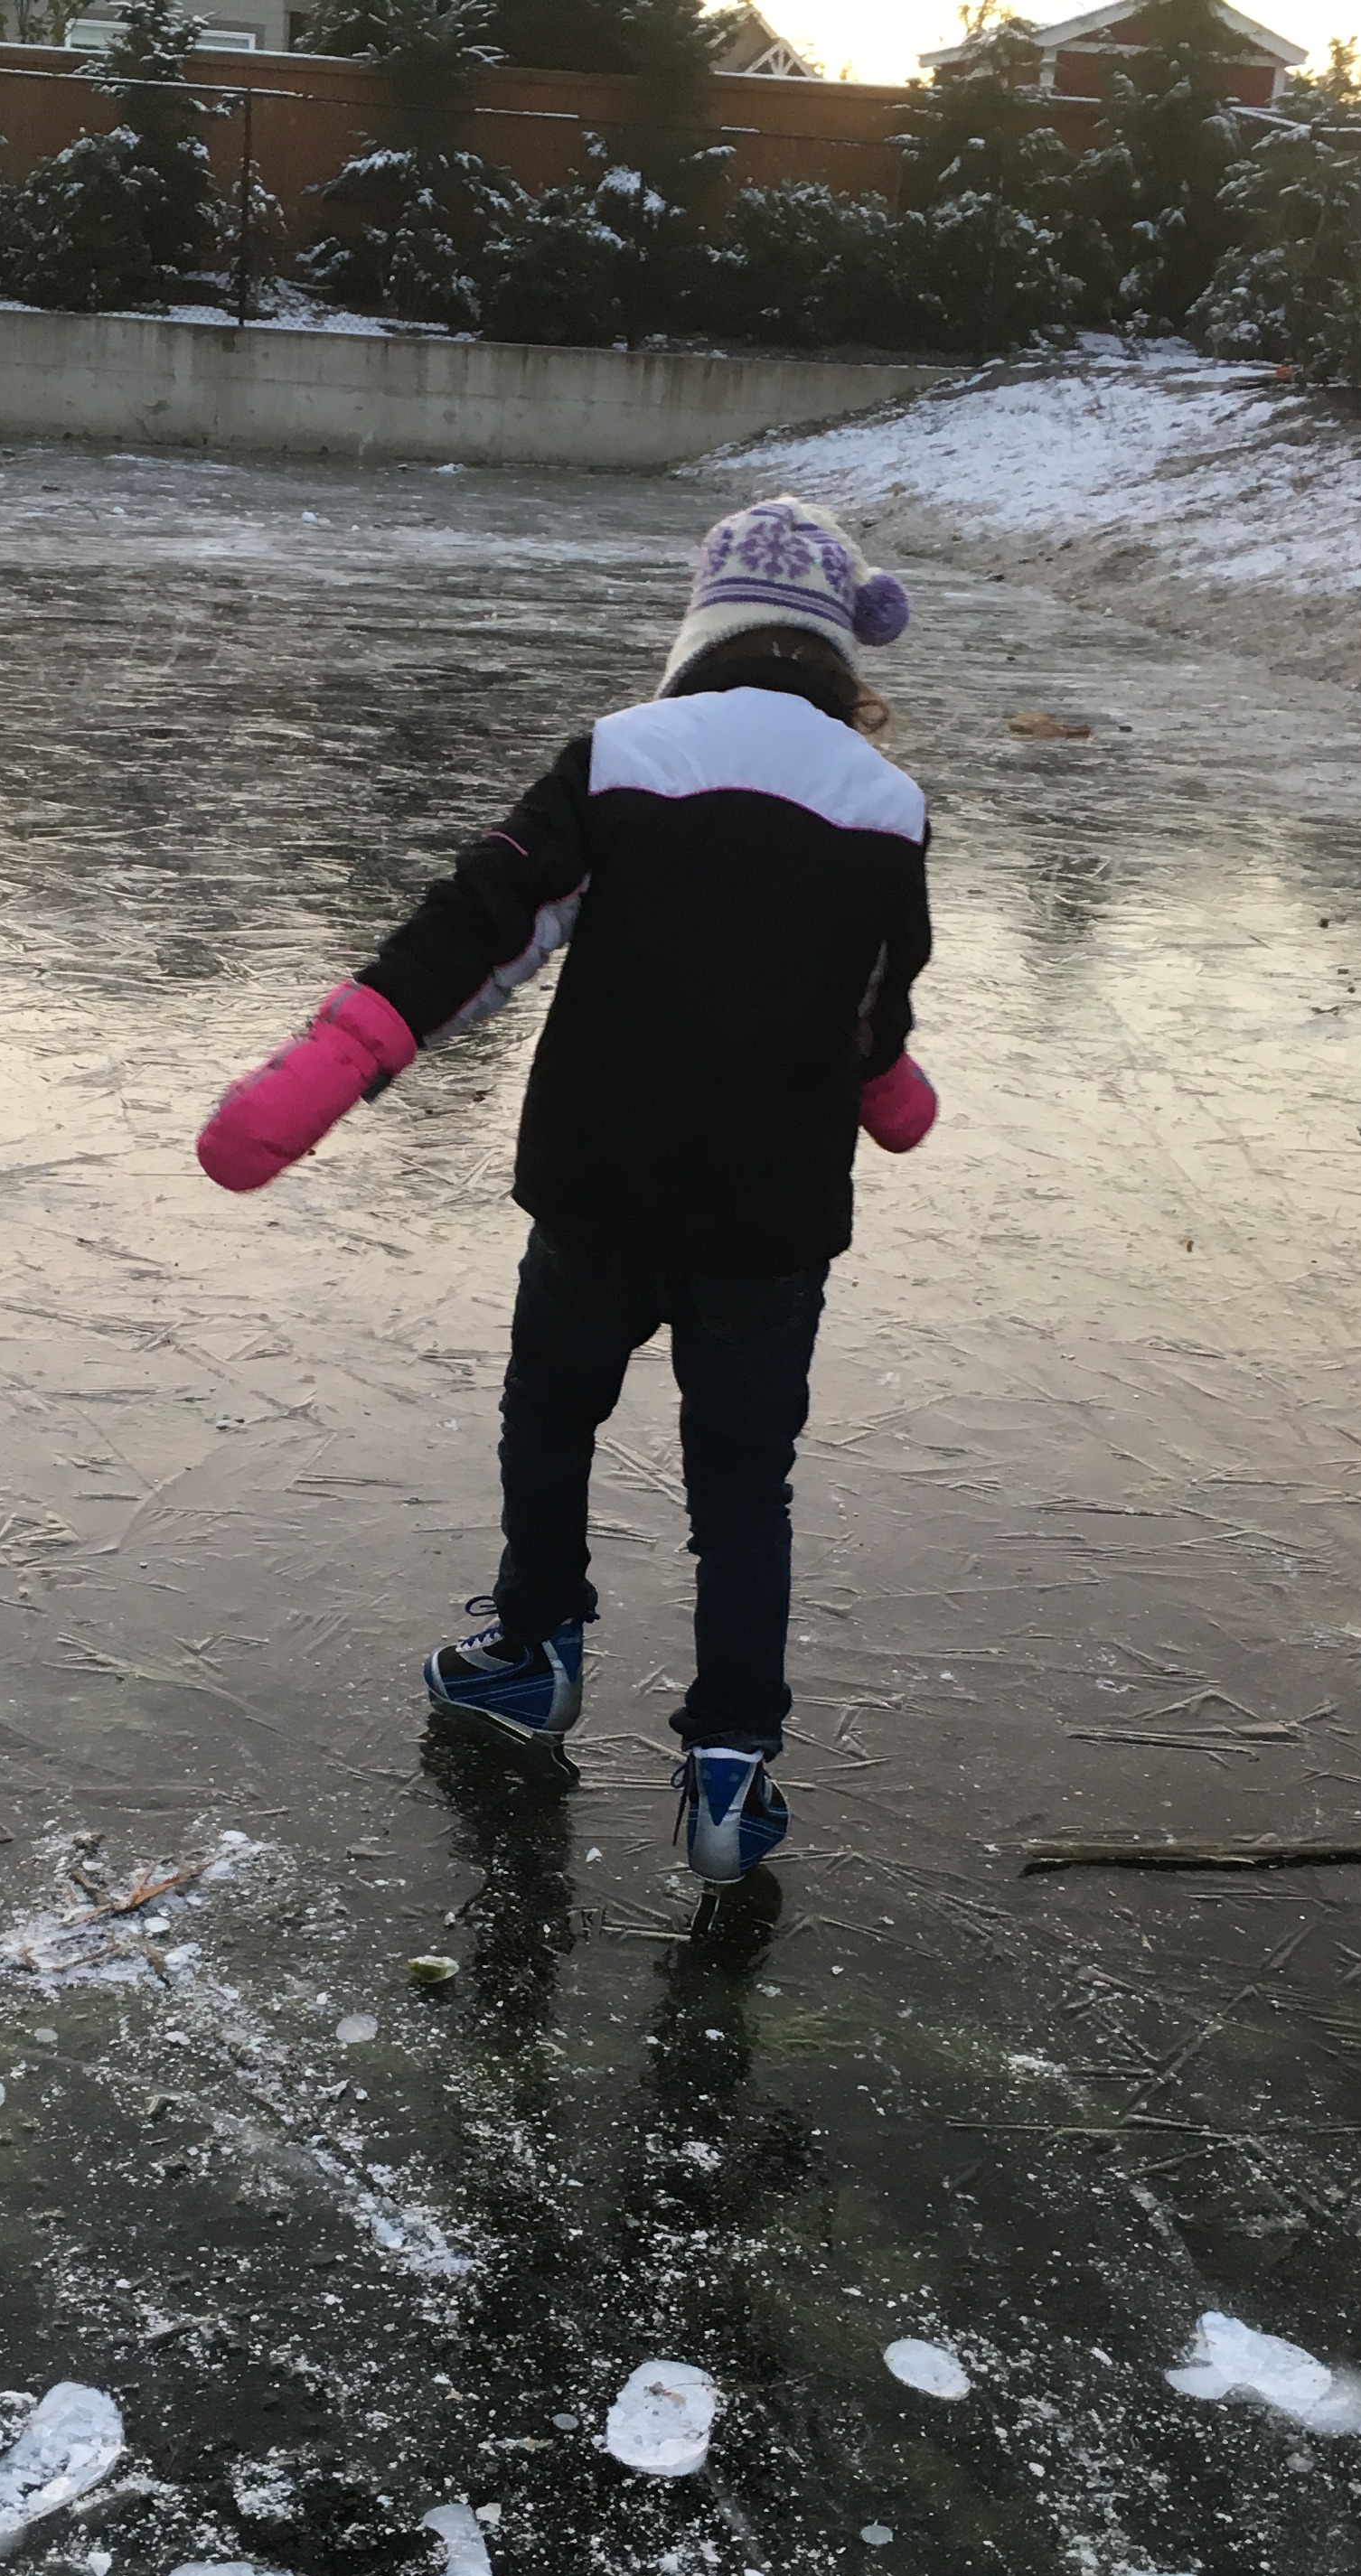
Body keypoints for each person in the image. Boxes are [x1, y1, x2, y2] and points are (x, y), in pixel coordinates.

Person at [195, 498, 938, 1888]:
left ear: (704, 625)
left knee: (551, 1414)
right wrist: (890, 1088)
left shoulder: (624, 756)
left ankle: (534, 1650)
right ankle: (733, 1762)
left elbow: (481, 926)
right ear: (843, 649)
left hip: (603, 1188)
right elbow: (874, 1002)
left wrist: (338, 1061)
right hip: (772, 1219)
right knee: (745, 1487)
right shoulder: (888, 807)